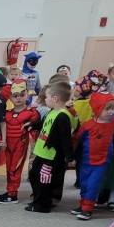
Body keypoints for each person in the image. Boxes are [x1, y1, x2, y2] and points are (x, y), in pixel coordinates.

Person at [27, 81, 73, 213]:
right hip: (41, 152)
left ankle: (43, 205)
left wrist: (70, 157)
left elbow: (66, 138)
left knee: (44, 181)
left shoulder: (63, 116)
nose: (45, 99)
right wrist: (32, 125)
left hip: (51, 157)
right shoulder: (52, 112)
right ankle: (38, 200)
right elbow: (44, 124)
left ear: (55, 98)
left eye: (46, 97)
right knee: (34, 175)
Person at [71, 92, 114, 220]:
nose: (111, 112)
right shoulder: (87, 125)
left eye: (113, 108)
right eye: (107, 109)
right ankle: (83, 204)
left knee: (93, 184)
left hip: (103, 161)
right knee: (84, 183)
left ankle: (87, 209)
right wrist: (73, 156)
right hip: (85, 161)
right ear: (97, 108)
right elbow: (77, 140)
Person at [0, 82, 39, 203]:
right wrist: (1, 140)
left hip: (21, 144)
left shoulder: (32, 112)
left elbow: (36, 125)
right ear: (10, 97)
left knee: (15, 168)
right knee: (9, 168)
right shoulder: (7, 112)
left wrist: (32, 124)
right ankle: (10, 190)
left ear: (27, 95)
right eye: (15, 95)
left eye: (22, 95)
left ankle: (13, 194)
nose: (18, 98)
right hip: (8, 146)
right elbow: (2, 129)